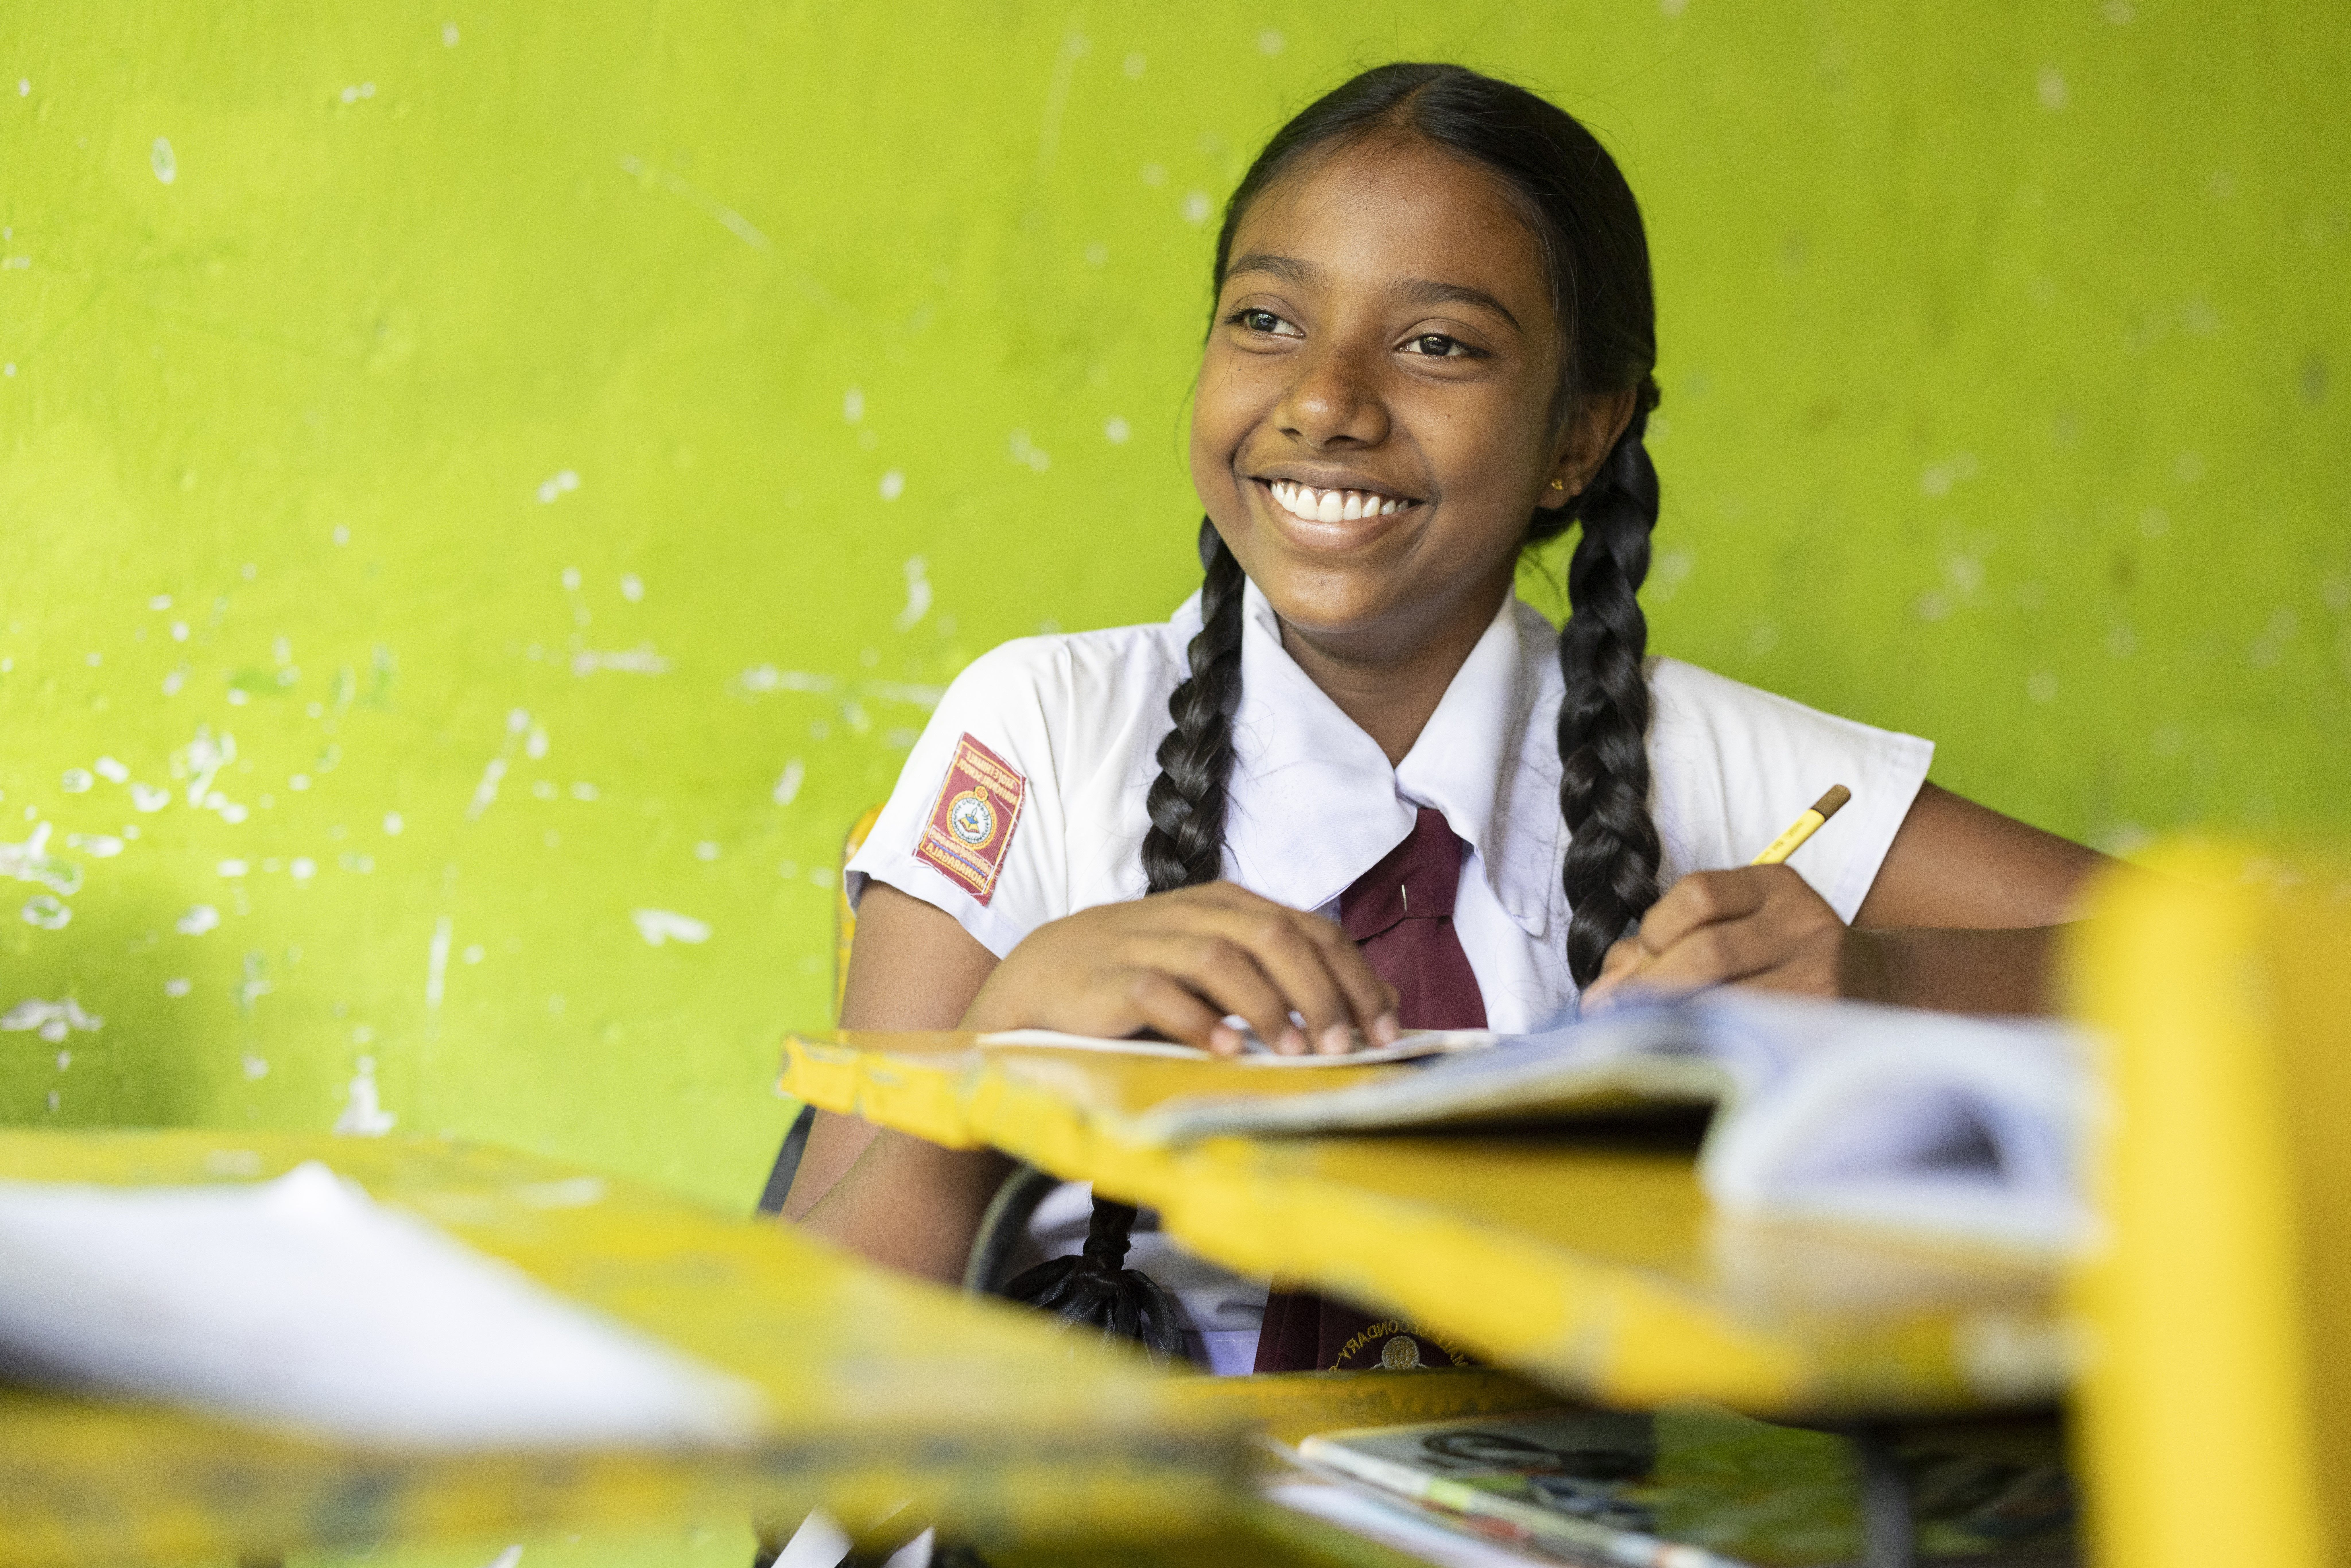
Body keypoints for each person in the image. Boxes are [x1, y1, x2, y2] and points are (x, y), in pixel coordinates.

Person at [783, 62, 2101, 1374]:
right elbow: (805, 1337)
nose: (1325, 401)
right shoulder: (1044, 725)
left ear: (1577, 436)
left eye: (1436, 346)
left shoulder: (1691, 757)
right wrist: (1008, 1040)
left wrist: (1886, 982)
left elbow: (2212, 965)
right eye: (1265, 320)